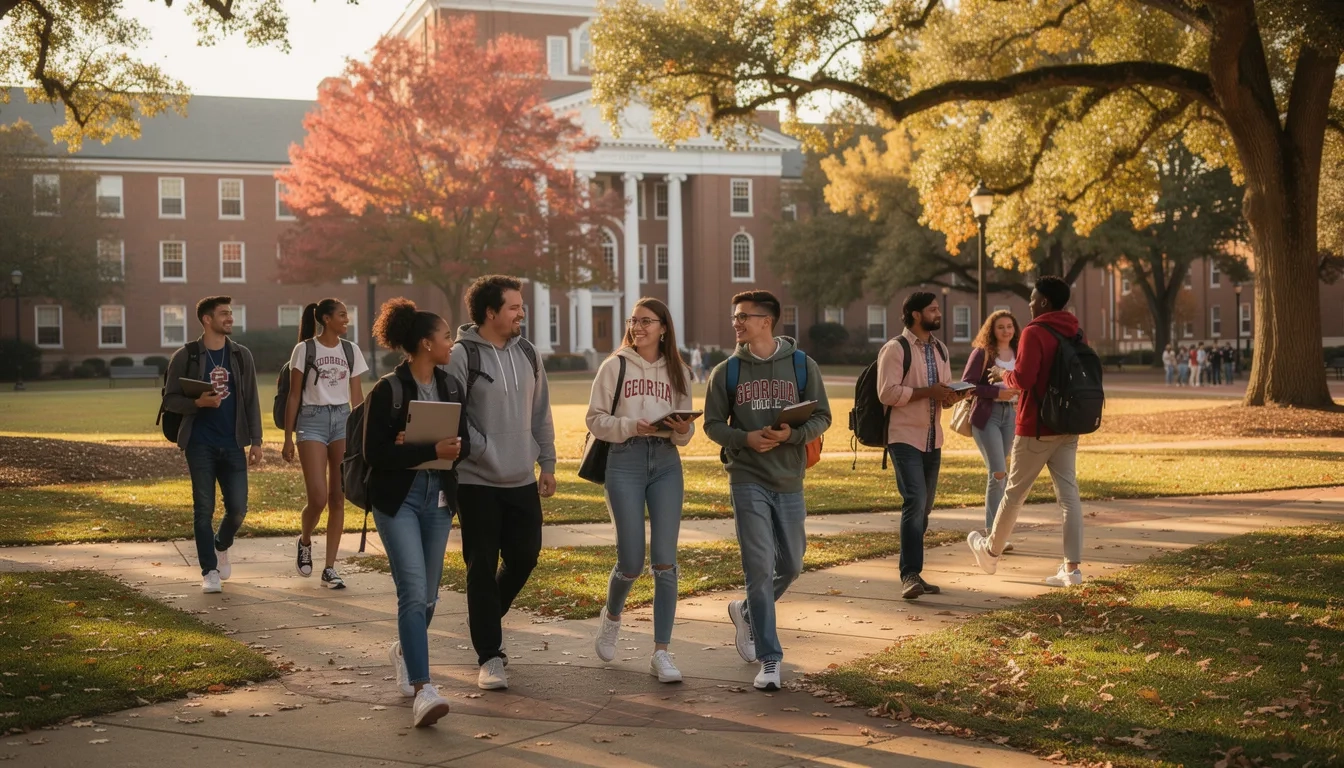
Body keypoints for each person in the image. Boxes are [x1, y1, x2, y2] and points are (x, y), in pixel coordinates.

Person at [703, 290, 831, 692]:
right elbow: (712, 425)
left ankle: (745, 612)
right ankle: (770, 658)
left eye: (744, 316)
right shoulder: (726, 371)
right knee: (758, 568)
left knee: (790, 564)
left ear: (766, 321)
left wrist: (794, 433)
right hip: (747, 478)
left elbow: (824, 416)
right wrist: (745, 439)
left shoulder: (800, 364)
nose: (737, 322)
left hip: (789, 479)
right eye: (735, 316)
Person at [446, 275, 556, 691]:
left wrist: (546, 461)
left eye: (521, 306)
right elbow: (453, 412)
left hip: (521, 478)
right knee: (480, 568)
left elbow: (540, 412)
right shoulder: (461, 355)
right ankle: (489, 655)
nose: (521, 312)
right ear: (490, 312)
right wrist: (485, 449)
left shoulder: (528, 351)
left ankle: (484, 618)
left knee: (526, 555)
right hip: (476, 480)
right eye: (513, 307)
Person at [365, 298, 468, 728]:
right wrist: (423, 448)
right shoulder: (387, 389)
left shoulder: (450, 387)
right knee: (412, 590)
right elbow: (374, 453)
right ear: (426, 343)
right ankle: (424, 689)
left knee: (428, 597)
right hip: (399, 501)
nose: (451, 343)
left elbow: (461, 440)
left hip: (438, 500)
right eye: (446, 337)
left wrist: (451, 447)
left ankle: (405, 650)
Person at [586, 298, 696, 683]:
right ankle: (612, 616)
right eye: (634, 321)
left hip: (666, 461)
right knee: (631, 561)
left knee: (665, 561)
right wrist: (632, 426)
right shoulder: (614, 365)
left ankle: (661, 652)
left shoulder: (679, 371)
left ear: (664, 327)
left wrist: (682, 428)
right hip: (625, 459)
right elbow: (595, 420)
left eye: (646, 321)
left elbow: (686, 431)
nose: (639, 327)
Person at [967, 276, 1088, 587]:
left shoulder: (1035, 331)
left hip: (1035, 425)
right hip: (1068, 424)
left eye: (1034, 298)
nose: (1031, 303)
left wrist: (1001, 374)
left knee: (1015, 493)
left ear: (1045, 301)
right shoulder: (1076, 330)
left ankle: (991, 553)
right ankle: (1072, 569)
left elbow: (1024, 378)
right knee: (1069, 496)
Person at [161, 296, 263, 594]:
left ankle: (221, 544)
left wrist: (256, 441)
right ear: (207, 319)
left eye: (231, 313)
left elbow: (252, 400)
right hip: (200, 444)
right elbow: (169, 400)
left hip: (233, 444)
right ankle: (209, 570)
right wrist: (197, 402)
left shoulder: (241, 355)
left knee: (238, 509)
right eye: (224, 314)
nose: (230, 318)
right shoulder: (187, 355)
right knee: (203, 509)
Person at [877, 292, 970, 600]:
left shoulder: (940, 348)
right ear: (916, 315)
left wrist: (951, 395)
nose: (938, 313)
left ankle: (915, 573)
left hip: (933, 437)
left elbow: (941, 390)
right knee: (915, 501)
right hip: (903, 436)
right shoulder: (895, 348)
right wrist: (927, 391)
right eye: (932, 309)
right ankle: (909, 574)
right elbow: (887, 393)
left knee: (924, 508)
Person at [282, 298, 368, 588]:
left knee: (337, 497)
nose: (347, 320)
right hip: (311, 421)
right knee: (318, 497)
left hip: (343, 420)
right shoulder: (304, 349)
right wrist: (287, 438)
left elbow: (357, 398)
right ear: (327, 319)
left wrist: (363, 435)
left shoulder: (351, 350)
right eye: (343, 315)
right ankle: (305, 540)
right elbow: (294, 395)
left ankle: (330, 568)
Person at [961, 310, 1022, 544]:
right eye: (1000, 327)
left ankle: (998, 533)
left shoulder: (1020, 353)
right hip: (988, 417)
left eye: (1009, 326)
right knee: (998, 473)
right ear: (991, 330)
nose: (1006, 331)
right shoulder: (982, 353)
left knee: (1001, 474)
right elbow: (967, 385)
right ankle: (993, 536)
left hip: (1012, 417)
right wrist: (997, 391)